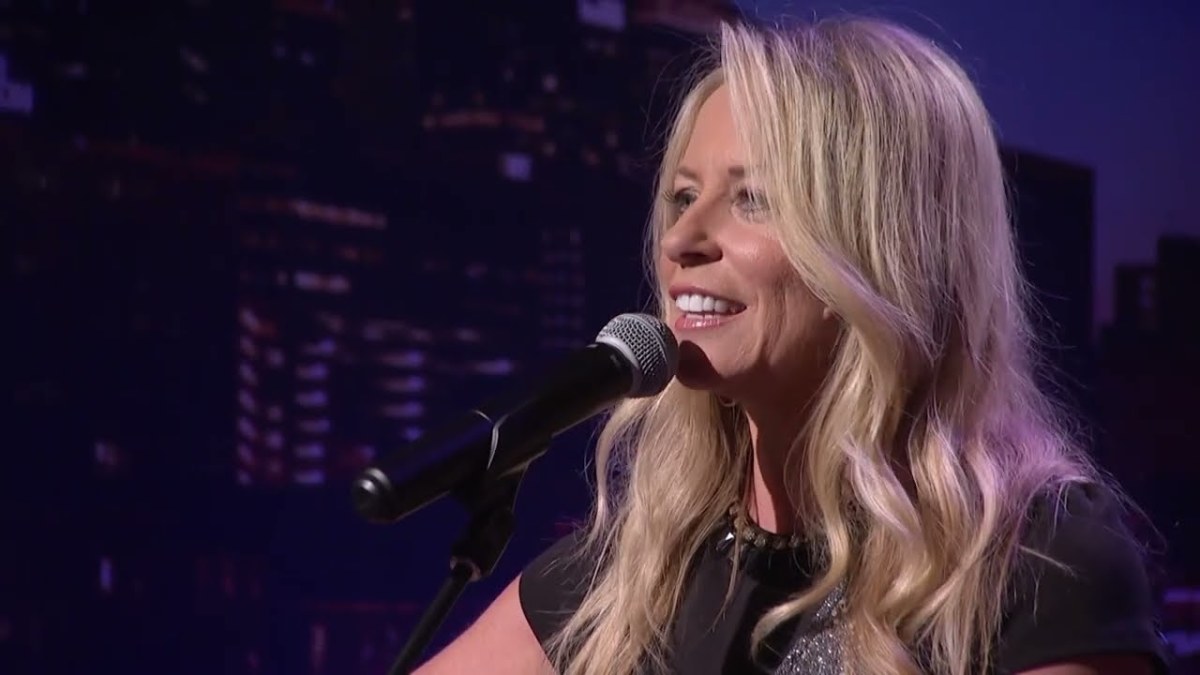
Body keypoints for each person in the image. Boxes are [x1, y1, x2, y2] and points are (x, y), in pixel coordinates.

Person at [415, 16, 1168, 675]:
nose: (681, 239)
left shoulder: (1035, 562)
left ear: (880, 248)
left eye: (753, 198)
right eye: (683, 197)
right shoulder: (639, 573)